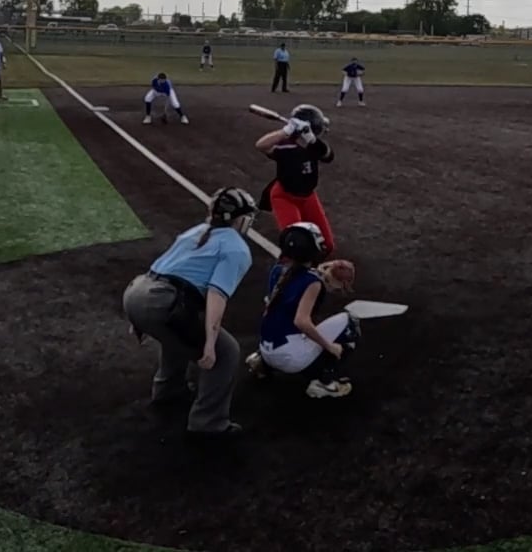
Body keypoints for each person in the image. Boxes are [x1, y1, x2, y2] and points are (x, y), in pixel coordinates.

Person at [121, 187, 257, 436]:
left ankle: (168, 391)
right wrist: (210, 344)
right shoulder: (236, 248)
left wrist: (138, 318)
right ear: (240, 219)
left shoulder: (196, 231)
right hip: (160, 301)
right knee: (226, 352)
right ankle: (208, 422)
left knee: (179, 331)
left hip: (136, 292)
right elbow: (216, 296)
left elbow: (161, 267)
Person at [245, 223, 361, 399]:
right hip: (290, 357)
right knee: (350, 322)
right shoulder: (312, 282)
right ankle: (324, 382)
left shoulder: (278, 270)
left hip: (267, 347)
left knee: (280, 317)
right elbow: (301, 321)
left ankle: (262, 363)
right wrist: (329, 346)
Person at [256, 104, 336, 254]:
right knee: (295, 244)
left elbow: (328, 156)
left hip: (308, 196)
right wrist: (285, 131)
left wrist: (312, 140)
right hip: (284, 197)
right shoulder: (285, 147)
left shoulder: (315, 146)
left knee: (327, 245)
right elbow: (261, 145)